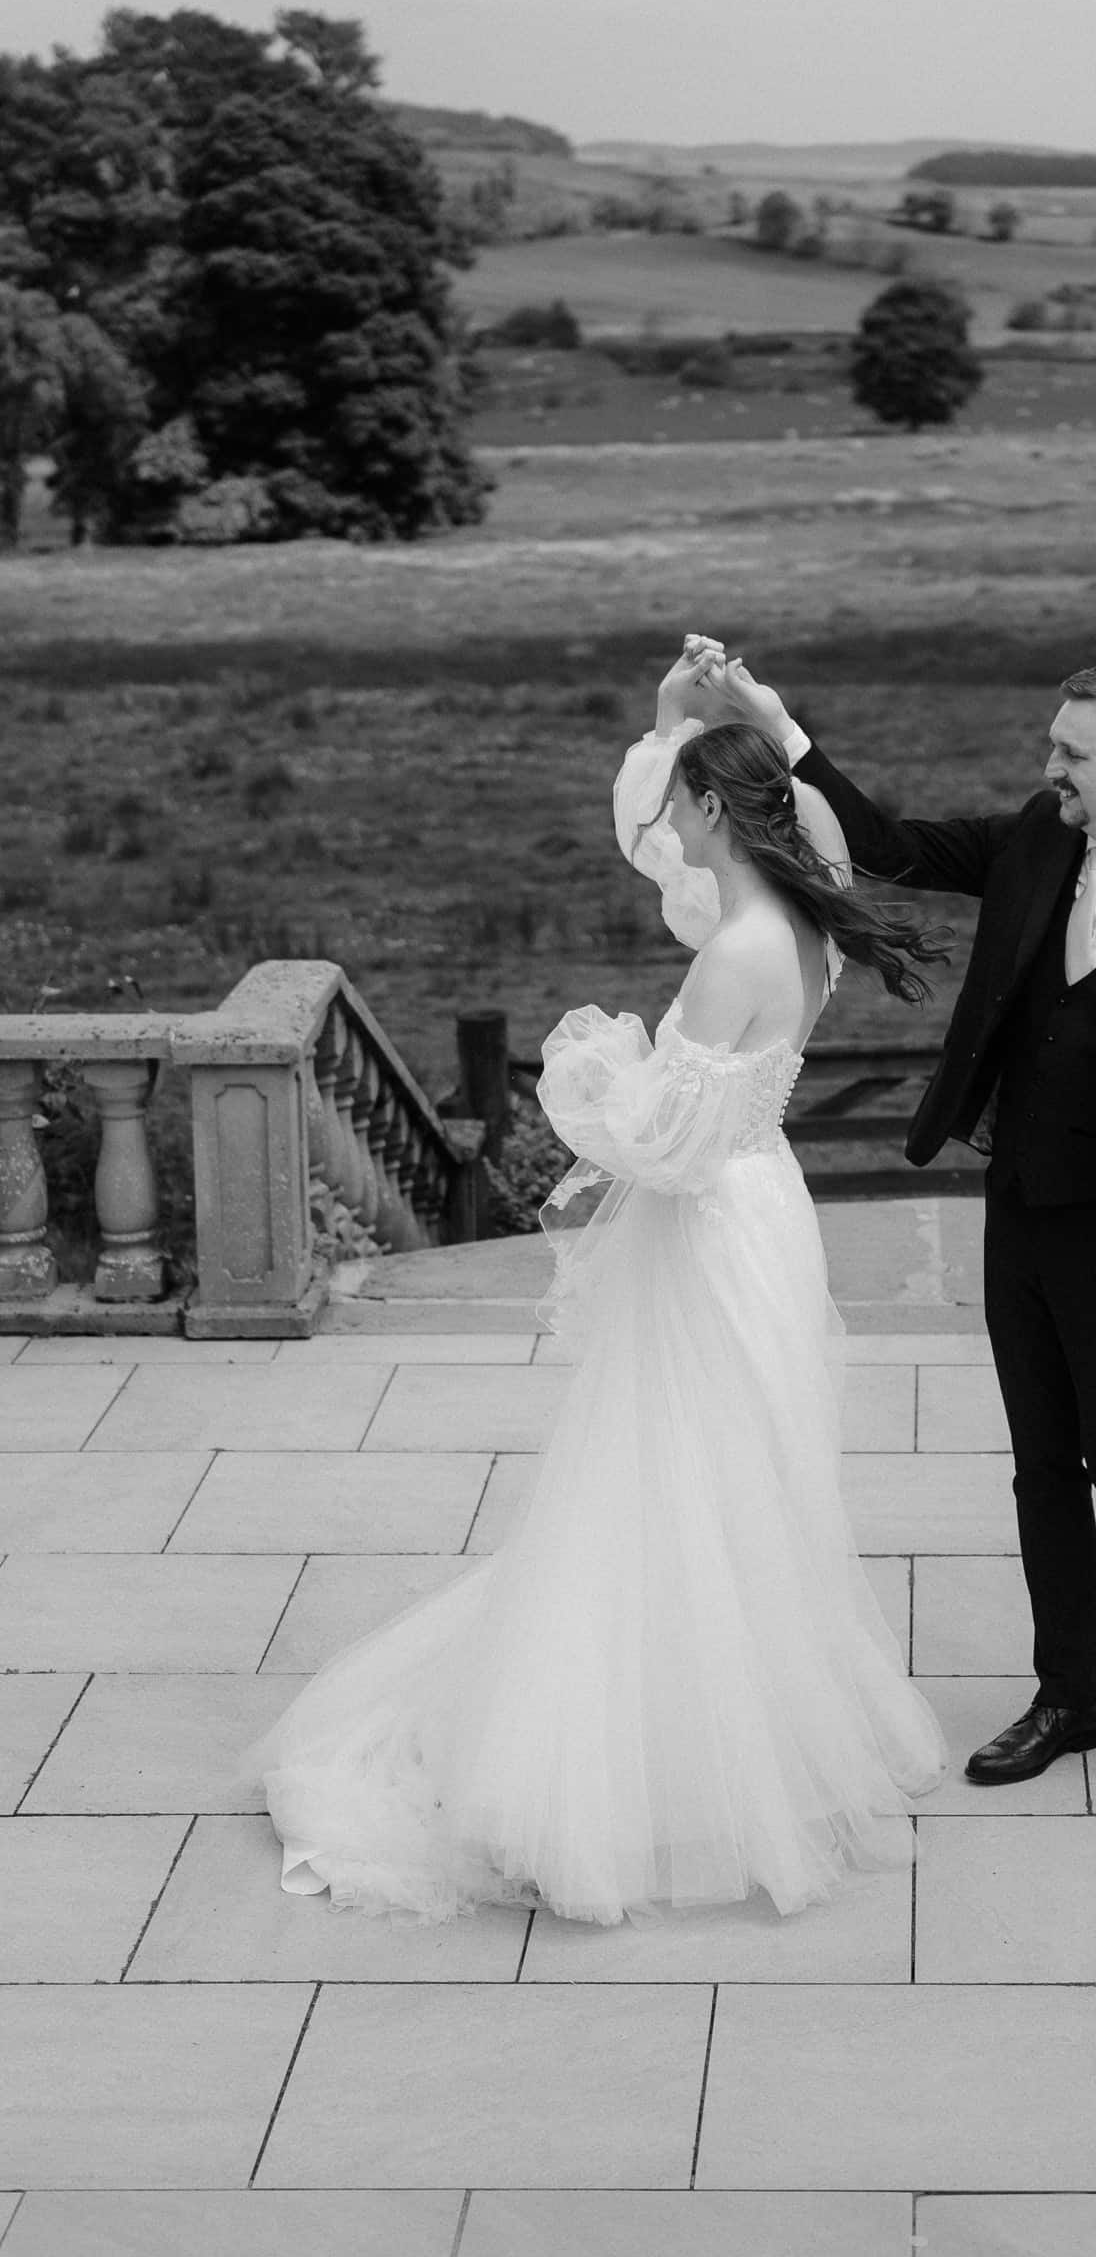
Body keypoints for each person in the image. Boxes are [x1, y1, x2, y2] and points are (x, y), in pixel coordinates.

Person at [240, 638, 947, 1924]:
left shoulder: (732, 955)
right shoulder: (812, 911)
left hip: (708, 1226)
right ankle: (741, 1737)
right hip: (770, 1207)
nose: (667, 826)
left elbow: (663, 1145)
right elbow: (717, 840)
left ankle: (622, 1770)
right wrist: (692, 717)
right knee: (745, 1469)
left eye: (683, 801)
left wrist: (589, 1084)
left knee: (665, 1470)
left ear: (717, 810)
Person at [705, 647, 1096, 1788]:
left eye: (1071, 752)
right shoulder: (1034, 839)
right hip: (1020, 1204)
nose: (1049, 767)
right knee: (1040, 1467)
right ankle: (1065, 1696)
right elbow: (888, 844)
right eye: (1051, 746)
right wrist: (776, 722)